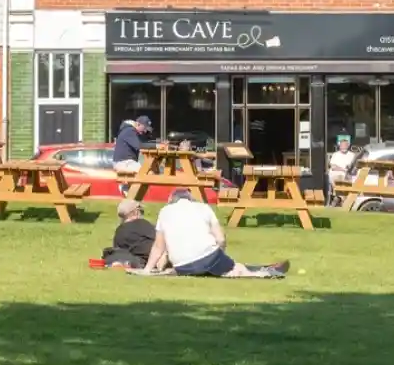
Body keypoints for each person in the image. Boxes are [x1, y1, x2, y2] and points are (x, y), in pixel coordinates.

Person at [143, 189, 288, 278]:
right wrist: (222, 254)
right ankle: (259, 273)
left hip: (182, 266)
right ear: (190, 198)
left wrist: (147, 270)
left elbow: (158, 246)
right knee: (234, 268)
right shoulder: (203, 207)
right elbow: (220, 238)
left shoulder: (164, 211)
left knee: (218, 266)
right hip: (208, 258)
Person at [103, 199, 157, 268]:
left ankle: (123, 262)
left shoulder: (119, 231)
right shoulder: (142, 224)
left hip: (130, 256)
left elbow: (117, 248)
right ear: (136, 212)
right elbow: (159, 236)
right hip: (146, 256)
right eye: (141, 211)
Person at [112, 114, 152, 195]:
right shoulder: (129, 131)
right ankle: (125, 188)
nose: (144, 131)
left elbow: (144, 143)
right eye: (144, 128)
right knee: (146, 173)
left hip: (127, 162)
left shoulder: (133, 132)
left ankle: (130, 196)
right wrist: (157, 146)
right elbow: (139, 146)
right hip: (123, 162)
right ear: (138, 124)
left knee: (147, 173)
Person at [327, 134, 359, 204]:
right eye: (342, 145)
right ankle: (343, 199)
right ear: (340, 146)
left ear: (348, 146)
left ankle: (338, 197)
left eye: (345, 145)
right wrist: (343, 169)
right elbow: (333, 167)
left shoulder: (352, 155)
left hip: (348, 176)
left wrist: (349, 167)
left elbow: (354, 166)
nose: (344, 146)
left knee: (346, 181)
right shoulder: (335, 154)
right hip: (336, 175)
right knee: (340, 179)